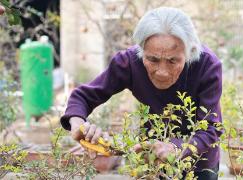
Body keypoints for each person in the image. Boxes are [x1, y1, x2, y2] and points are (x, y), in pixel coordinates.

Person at [60, 7, 222, 180]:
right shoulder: (129, 63)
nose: (162, 72)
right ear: (141, 50)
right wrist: (78, 125)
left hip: (198, 162)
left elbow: (211, 128)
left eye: (173, 61)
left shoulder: (207, 66)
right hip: (150, 158)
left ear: (189, 53)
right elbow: (82, 96)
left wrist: (176, 148)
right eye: (152, 59)